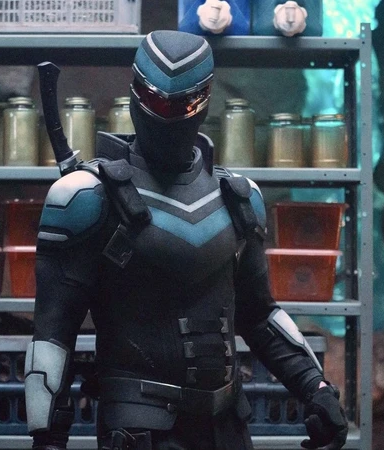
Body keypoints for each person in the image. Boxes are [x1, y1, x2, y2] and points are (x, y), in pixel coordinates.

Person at [24, 30, 348, 450]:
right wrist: (47, 437)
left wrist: (315, 387)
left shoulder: (237, 197)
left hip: (228, 427)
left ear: (204, 101)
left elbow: (259, 313)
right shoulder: (87, 197)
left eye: (184, 105)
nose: (168, 117)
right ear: (136, 94)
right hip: (140, 431)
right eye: (156, 101)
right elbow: (53, 334)